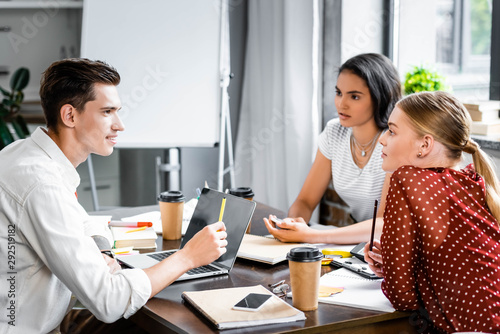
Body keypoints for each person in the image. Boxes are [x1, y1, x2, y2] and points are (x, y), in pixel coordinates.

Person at [0, 58, 228, 333]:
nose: (119, 125)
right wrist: (188, 258)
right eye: (107, 112)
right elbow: (108, 301)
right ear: (70, 115)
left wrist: (102, 251)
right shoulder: (42, 183)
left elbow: (80, 220)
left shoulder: (22, 153)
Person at [364, 91, 500, 333]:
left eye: (392, 131)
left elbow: (403, 298)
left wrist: (396, 274)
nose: (383, 139)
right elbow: (457, 263)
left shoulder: (407, 179)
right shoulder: (471, 179)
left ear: (424, 145)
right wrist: (398, 265)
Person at [264, 53, 401, 244]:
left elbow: (382, 224)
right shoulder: (334, 132)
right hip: (360, 244)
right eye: (338, 93)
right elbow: (305, 201)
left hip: (392, 244)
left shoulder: (393, 141)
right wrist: (294, 223)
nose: (341, 104)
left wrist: (310, 235)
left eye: (354, 96)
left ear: (380, 98)